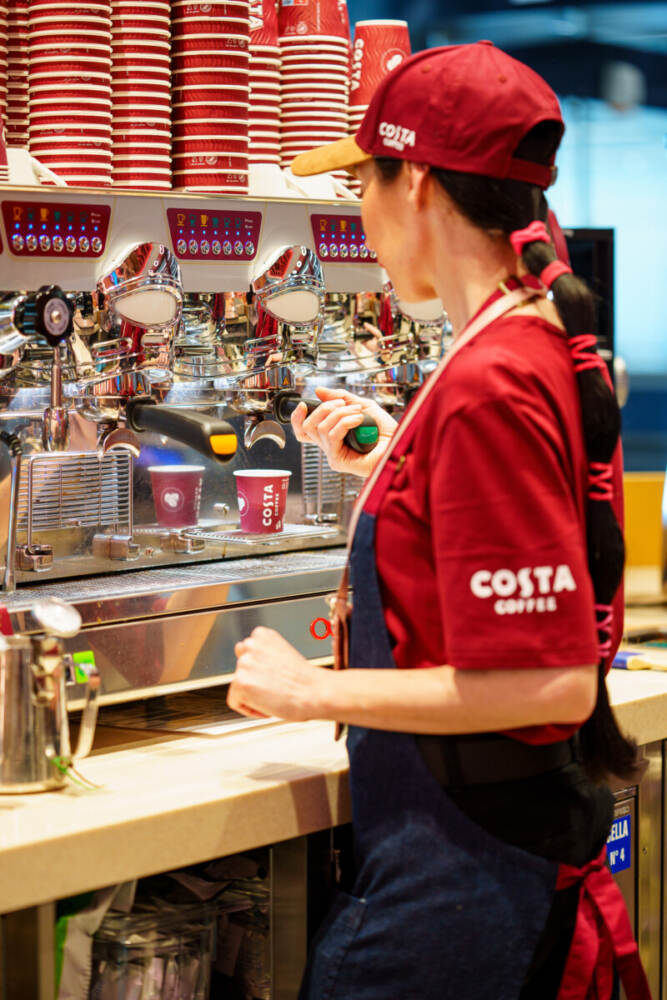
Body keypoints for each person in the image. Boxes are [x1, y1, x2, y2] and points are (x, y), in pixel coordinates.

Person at [227, 42, 651, 1000]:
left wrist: (309, 690)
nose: (359, 215)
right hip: (486, 858)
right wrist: (399, 464)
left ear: (415, 181)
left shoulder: (491, 378)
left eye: (362, 184)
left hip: (462, 880)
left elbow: (546, 684)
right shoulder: (520, 338)